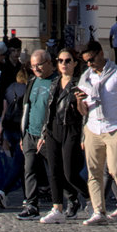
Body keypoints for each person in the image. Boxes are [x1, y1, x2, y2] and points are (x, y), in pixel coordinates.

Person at [76, 39, 117, 224]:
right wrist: (79, 100)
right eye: (86, 61)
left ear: (101, 54)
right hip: (93, 127)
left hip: (116, 127)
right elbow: (83, 111)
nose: (89, 64)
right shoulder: (86, 78)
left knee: (116, 168)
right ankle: (98, 211)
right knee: (93, 171)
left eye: (92, 59)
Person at [38, 45, 90, 222]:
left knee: (70, 173)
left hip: (72, 129)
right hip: (54, 129)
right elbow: (49, 110)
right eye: (60, 61)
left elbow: (84, 113)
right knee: (54, 170)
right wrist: (44, 133)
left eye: (68, 61)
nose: (63, 64)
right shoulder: (54, 83)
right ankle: (57, 208)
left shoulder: (79, 84)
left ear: (75, 63)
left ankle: (91, 198)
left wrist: (79, 101)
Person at [13, 49, 55, 219]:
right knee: (29, 169)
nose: (36, 69)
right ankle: (31, 205)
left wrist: (47, 133)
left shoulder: (56, 82)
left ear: (49, 63)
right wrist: (23, 134)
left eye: (39, 65)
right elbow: (27, 108)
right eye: (32, 66)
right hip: (30, 133)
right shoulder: (32, 82)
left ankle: (69, 200)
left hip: (49, 135)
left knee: (57, 171)